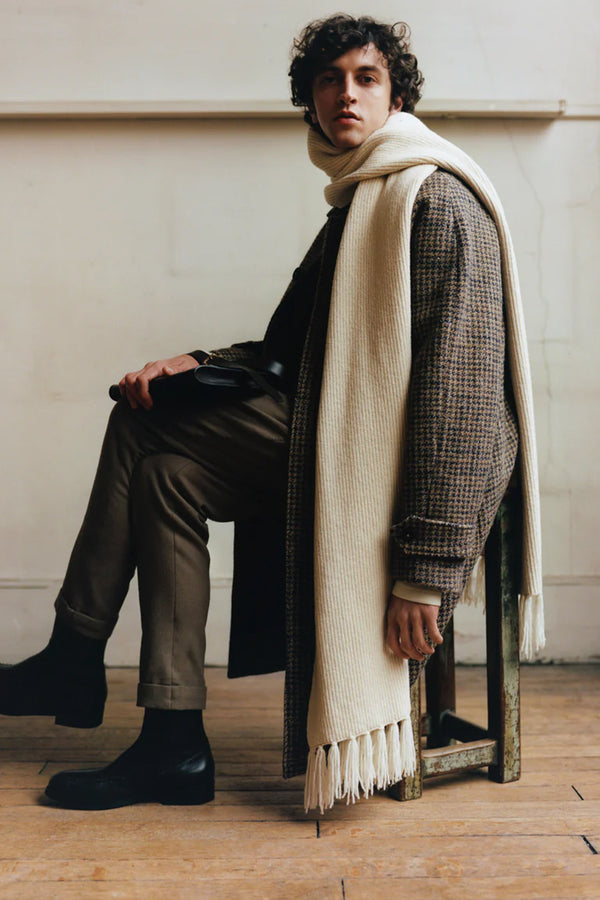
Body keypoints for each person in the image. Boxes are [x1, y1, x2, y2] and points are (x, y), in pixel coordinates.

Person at [0, 14, 542, 813]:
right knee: (164, 473)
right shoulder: (361, 201)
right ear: (309, 102)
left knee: (142, 423)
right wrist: (198, 362)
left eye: (365, 78)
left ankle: (74, 654)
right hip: (336, 432)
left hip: (389, 462)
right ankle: (174, 742)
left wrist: (425, 573)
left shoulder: (433, 199)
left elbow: (461, 402)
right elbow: (295, 353)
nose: (345, 94)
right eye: (328, 80)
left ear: (397, 97)